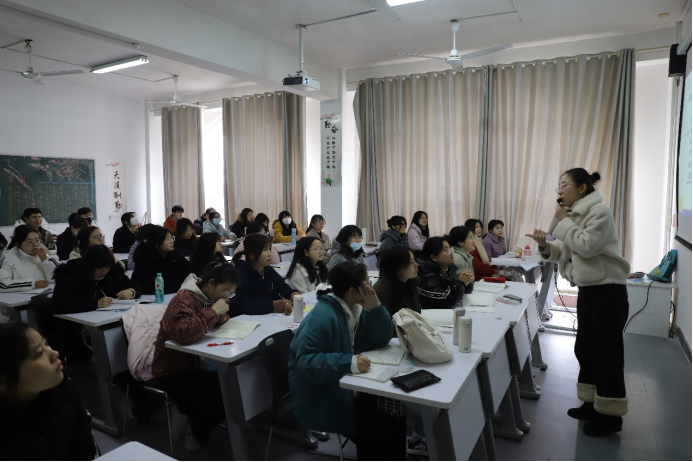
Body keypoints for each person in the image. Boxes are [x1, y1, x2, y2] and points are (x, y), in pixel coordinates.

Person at [526, 169, 630, 437]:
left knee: (606, 353)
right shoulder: (572, 216)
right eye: (558, 186)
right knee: (585, 347)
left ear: (582, 188)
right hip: (589, 290)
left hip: (608, 291)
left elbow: (587, 246)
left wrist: (563, 222)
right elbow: (565, 249)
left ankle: (610, 416)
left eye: (564, 185)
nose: (559, 190)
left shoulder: (599, 212)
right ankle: (591, 403)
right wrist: (544, 245)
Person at [288, 261, 403, 460]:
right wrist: (348, 362)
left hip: (350, 385)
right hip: (323, 395)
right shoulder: (321, 316)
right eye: (366, 282)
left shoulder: (356, 308)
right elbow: (306, 364)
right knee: (376, 427)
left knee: (395, 415)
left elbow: (380, 340)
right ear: (352, 291)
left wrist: (375, 309)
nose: (370, 286)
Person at [151, 264, 239, 452]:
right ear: (211, 282)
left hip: (198, 365)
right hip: (171, 370)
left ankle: (187, 412)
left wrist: (220, 315)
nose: (226, 297)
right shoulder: (183, 299)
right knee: (220, 395)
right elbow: (184, 334)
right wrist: (214, 311)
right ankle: (196, 432)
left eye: (230, 294)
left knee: (231, 388)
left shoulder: (209, 297)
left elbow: (218, 320)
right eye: (225, 292)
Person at [0, 323, 97, 460]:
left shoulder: (66, 390)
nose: (54, 353)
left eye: (46, 345)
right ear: (3, 383)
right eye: (39, 353)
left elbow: (86, 452)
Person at [52, 245, 142, 360]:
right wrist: (96, 303)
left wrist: (131, 291)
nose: (104, 271)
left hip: (109, 323)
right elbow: (59, 304)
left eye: (107, 267)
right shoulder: (71, 275)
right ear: (90, 266)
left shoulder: (112, 273)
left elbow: (135, 285)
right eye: (100, 268)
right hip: (76, 331)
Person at [230, 234, 299, 317]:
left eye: (269, 249)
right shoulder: (239, 274)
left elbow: (282, 286)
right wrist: (273, 306)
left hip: (268, 317)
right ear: (252, 255)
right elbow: (242, 305)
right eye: (265, 250)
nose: (270, 254)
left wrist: (292, 294)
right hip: (249, 320)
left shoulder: (267, 269)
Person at [131, 225, 192, 294]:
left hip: (175, 293)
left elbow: (189, 271)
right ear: (156, 243)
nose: (171, 241)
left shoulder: (175, 254)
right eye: (167, 239)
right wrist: (179, 285)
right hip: (153, 296)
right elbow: (149, 284)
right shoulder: (145, 258)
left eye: (171, 238)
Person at [0, 225, 59, 293]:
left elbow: (56, 278)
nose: (35, 244)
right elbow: (2, 284)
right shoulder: (8, 258)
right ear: (18, 244)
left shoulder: (42, 255)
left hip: (44, 294)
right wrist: (32, 284)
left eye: (37, 240)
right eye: (30, 242)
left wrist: (45, 260)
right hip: (18, 298)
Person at [415, 236, 469, 309]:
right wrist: (461, 283)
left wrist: (466, 280)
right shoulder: (426, 274)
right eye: (446, 250)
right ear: (434, 257)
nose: (451, 253)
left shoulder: (448, 268)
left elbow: (463, 291)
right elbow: (444, 303)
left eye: (450, 249)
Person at [374, 245, 421, 319]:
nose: (416, 265)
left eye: (414, 260)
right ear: (397, 269)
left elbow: (416, 312)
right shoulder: (382, 291)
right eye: (410, 262)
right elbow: (387, 322)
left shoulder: (411, 281)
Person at [448, 226, 477, 292]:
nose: (474, 241)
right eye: (470, 238)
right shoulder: (457, 258)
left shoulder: (467, 256)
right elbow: (461, 284)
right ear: (460, 242)